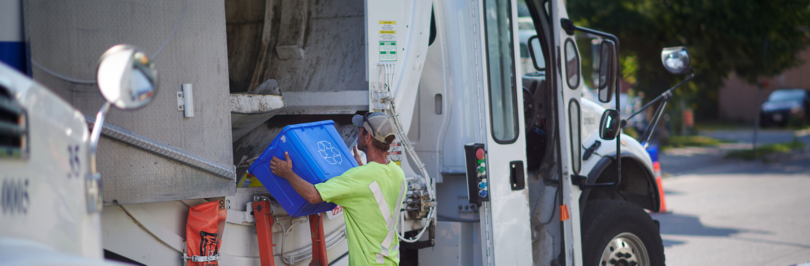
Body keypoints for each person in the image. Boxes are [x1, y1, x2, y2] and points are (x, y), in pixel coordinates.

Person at [269, 112, 407, 266]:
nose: (357, 132)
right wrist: (362, 170)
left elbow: (313, 196)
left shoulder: (359, 177)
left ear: (367, 137)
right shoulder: (398, 174)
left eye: (360, 130)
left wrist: (287, 173)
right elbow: (376, 195)